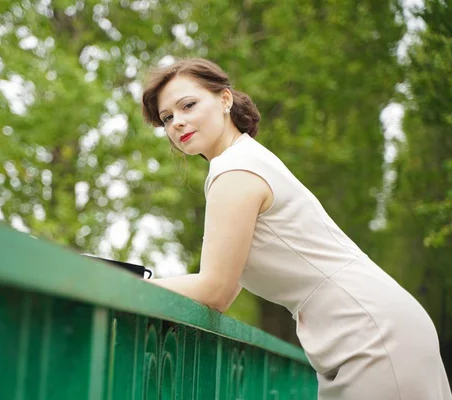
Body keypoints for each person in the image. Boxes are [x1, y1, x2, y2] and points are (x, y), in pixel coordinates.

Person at [141, 57, 452, 400]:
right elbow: (224, 294)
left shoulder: (235, 171)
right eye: (167, 117)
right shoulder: (242, 161)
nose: (178, 122)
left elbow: (215, 288)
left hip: (370, 335)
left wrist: (133, 282)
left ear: (224, 99)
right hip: (369, 329)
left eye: (188, 105)